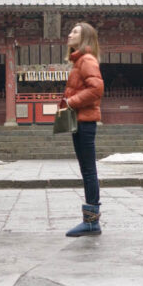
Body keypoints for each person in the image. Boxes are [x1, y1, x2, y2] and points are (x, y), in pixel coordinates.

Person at [59, 22, 104, 237]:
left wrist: (72, 101)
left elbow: (97, 89)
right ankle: (90, 219)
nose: (70, 34)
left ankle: (92, 221)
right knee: (86, 169)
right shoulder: (79, 62)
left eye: (75, 31)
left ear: (85, 37)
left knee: (88, 170)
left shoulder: (86, 60)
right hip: (80, 120)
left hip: (85, 121)